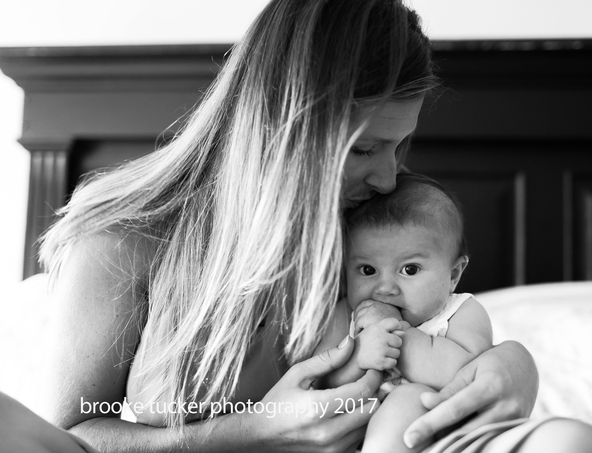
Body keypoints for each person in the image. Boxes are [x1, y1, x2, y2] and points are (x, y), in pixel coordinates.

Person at [38, 1, 543, 452]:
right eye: (364, 149)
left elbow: (438, 324)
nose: (390, 177)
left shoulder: (370, 214)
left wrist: (516, 365)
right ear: (285, 132)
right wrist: (256, 431)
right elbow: (69, 437)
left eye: (399, 144)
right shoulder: (123, 239)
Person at [314, 173, 592, 453]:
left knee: (576, 440)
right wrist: (359, 358)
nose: (385, 288)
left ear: (453, 275)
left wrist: (399, 336)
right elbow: (325, 381)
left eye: (409, 269)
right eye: (367, 270)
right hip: (353, 439)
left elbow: (461, 373)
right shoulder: (348, 314)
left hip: (451, 439)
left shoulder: (461, 312)